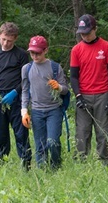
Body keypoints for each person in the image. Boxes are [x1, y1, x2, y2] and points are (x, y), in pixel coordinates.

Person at [70, 14, 108, 166]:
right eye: (82, 33)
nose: (85, 36)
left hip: (103, 94)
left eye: (88, 32)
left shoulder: (106, 47)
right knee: (82, 132)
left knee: (103, 131)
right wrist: (78, 95)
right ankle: (81, 164)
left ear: (95, 29)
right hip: (84, 95)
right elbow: (73, 76)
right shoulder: (76, 50)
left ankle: (104, 163)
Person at [0, 22, 32, 169]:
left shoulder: (22, 55)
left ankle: (26, 165)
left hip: (16, 98)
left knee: (21, 133)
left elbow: (26, 79)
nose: (6, 43)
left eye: (9, 41)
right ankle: (3, 165)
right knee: (1, 135)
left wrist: (15, 92)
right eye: (3, 39)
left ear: (15, 39)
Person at [21, 35, 69, 170]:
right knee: (40, 145)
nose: (35, 56)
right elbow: (25, 91)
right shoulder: (27, 69)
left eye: (38, 52)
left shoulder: (54, 67)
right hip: (36, 111)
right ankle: (43, 172)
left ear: (45, 50)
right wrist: (24, 111)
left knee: (52, 142)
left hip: (54, 110)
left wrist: (58, 87)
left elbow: (65, 90)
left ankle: (56, 167)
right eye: (32, 53)